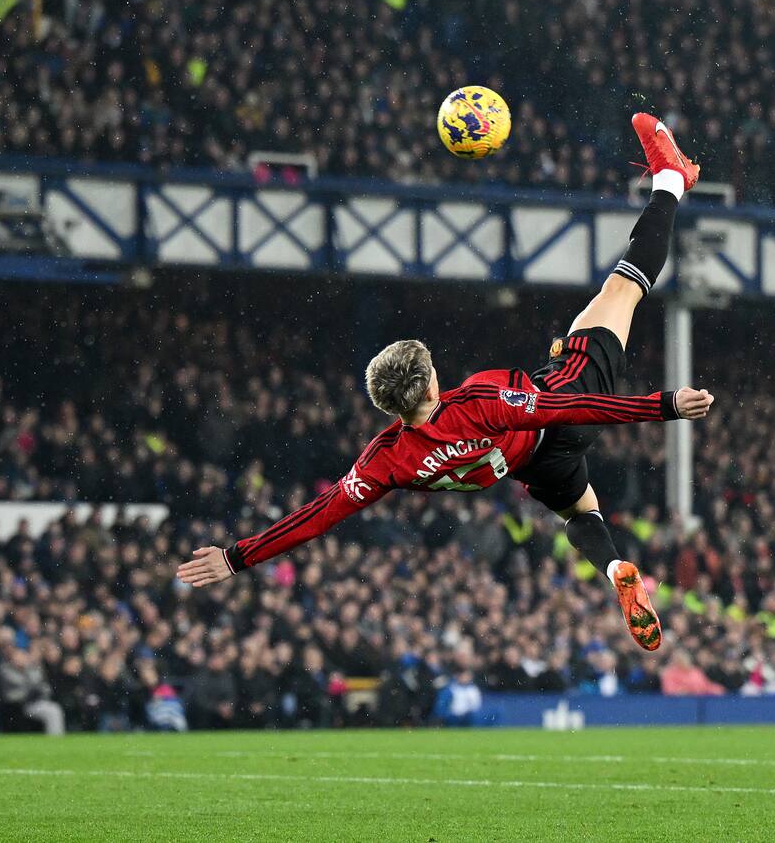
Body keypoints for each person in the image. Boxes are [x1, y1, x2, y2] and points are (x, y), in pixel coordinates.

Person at [177, 114, 711, 653]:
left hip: (533, 466)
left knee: (581, 511)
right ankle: (671, 179)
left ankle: (615, 565)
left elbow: (316, 517)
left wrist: (237, 557)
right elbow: (561, 408)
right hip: (561, 413)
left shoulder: (387, 459)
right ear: (432, 382)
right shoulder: (477, 399)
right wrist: (665, 405)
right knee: (623, 288)